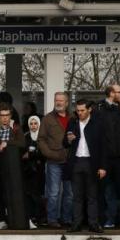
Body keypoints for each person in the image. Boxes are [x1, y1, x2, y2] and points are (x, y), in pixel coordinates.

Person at [95, 84, 120, 230]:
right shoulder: (99, 109)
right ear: (111, 93)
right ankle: (104, 220)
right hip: (105, 156)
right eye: (119, 92)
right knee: (103, 190)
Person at [64, 100, 107, 234]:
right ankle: (76, 224)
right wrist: (69, 140)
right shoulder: (72, 123)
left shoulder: (97, 124)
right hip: (76, 162)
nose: (80, 113)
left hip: (91, 163)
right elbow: (64, 143)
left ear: (89, 110)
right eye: (78, 110)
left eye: (82, 110)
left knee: (92, 196)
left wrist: (102, 167)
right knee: (76, 196)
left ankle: (93, 224)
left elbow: (104, 148)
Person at [38, 92, 74, 229]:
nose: (58, 102)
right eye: (56, 100)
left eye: (61, 100)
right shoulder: (48, 119)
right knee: (53, 192)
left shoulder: (73, 118)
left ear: (66, 102)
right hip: (54, 161)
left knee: (69, 193)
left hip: (70, 161)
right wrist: (49, 154)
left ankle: (66, 219)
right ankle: (52, 219)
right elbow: (41, 139)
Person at [0, 103, 28, 230]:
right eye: (2, 116)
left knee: (14, 192)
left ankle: (14, 219)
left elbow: (22, 143)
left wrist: (7, 143)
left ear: (10, 116)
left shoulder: (16, 128)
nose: (5, 118)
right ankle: (1, 219)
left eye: (7, 115)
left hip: (13, 166)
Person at [22, 116, 46, 226]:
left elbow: (44, 153)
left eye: (35, 123)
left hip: (40, 170)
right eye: (31, 123)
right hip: (28, 170)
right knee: (29, 194)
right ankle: (31, 217)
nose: (33, 126)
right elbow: (22, 153)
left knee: (38, 195)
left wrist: (31, 154)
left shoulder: (42, 137)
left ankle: (40, 217)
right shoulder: (25, 136)